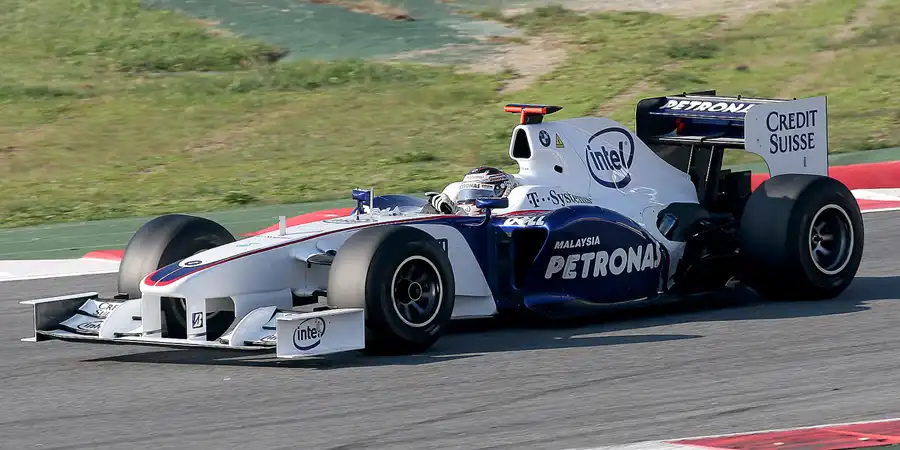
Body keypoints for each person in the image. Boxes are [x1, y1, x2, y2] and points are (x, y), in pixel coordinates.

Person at [424, 166, 518, 216]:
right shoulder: (457, 210)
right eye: (467, 194)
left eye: (478, 194)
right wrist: (436, 210)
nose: (470, 203)